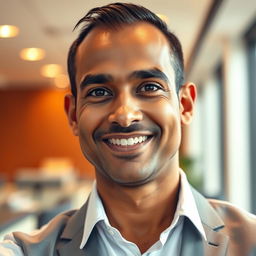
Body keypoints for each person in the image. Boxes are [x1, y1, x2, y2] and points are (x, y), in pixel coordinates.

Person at [1, 2, 256, 256]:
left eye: (149, 87)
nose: (124, 116)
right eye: (99, 92)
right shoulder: (24, 250)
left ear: (185, 105)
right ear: (72, 114)